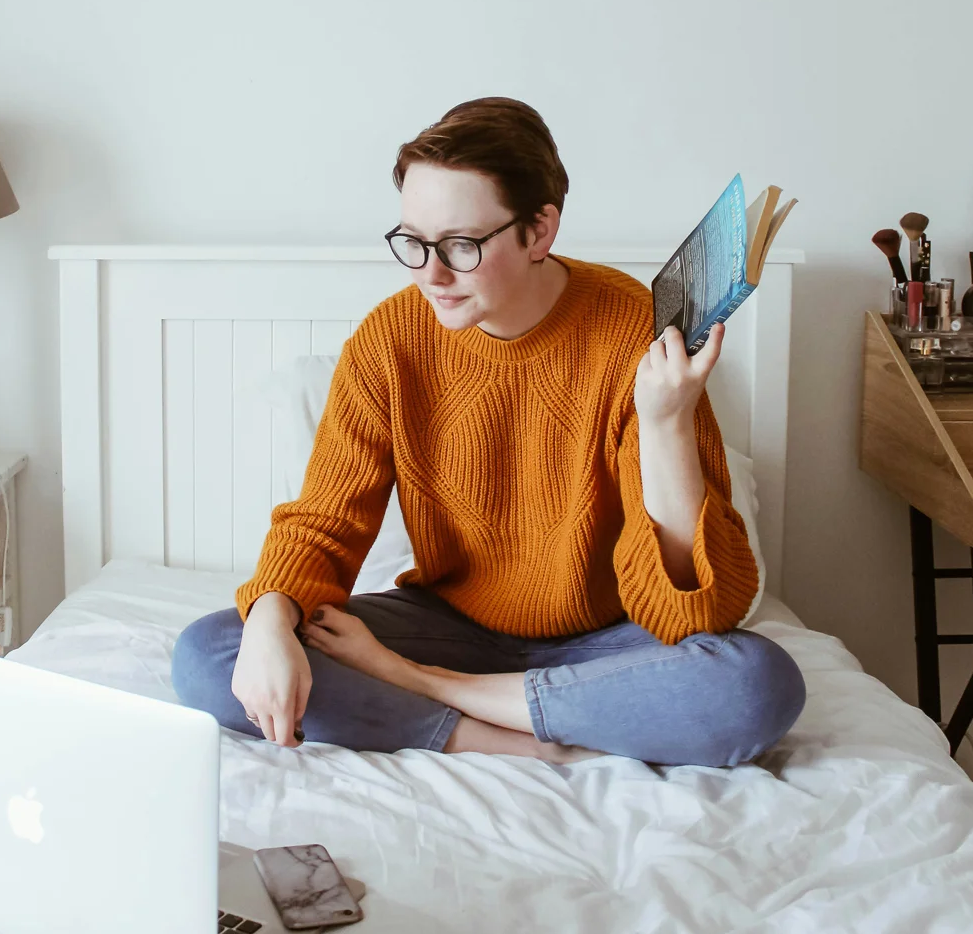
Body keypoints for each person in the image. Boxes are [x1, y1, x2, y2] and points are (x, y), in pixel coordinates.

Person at [171, 97, 806, 767]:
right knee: (210, 653)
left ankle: (439, 695)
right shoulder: (390, 340)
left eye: (461, 245)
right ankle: (517, 735)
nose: (430, 274)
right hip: (448, 623)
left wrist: (667, 421)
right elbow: (324, 523)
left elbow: (693, 616)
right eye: (413, 241)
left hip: (610, 640)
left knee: (755, 682)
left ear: (539, 231)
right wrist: (273, 614)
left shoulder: (631, 332)